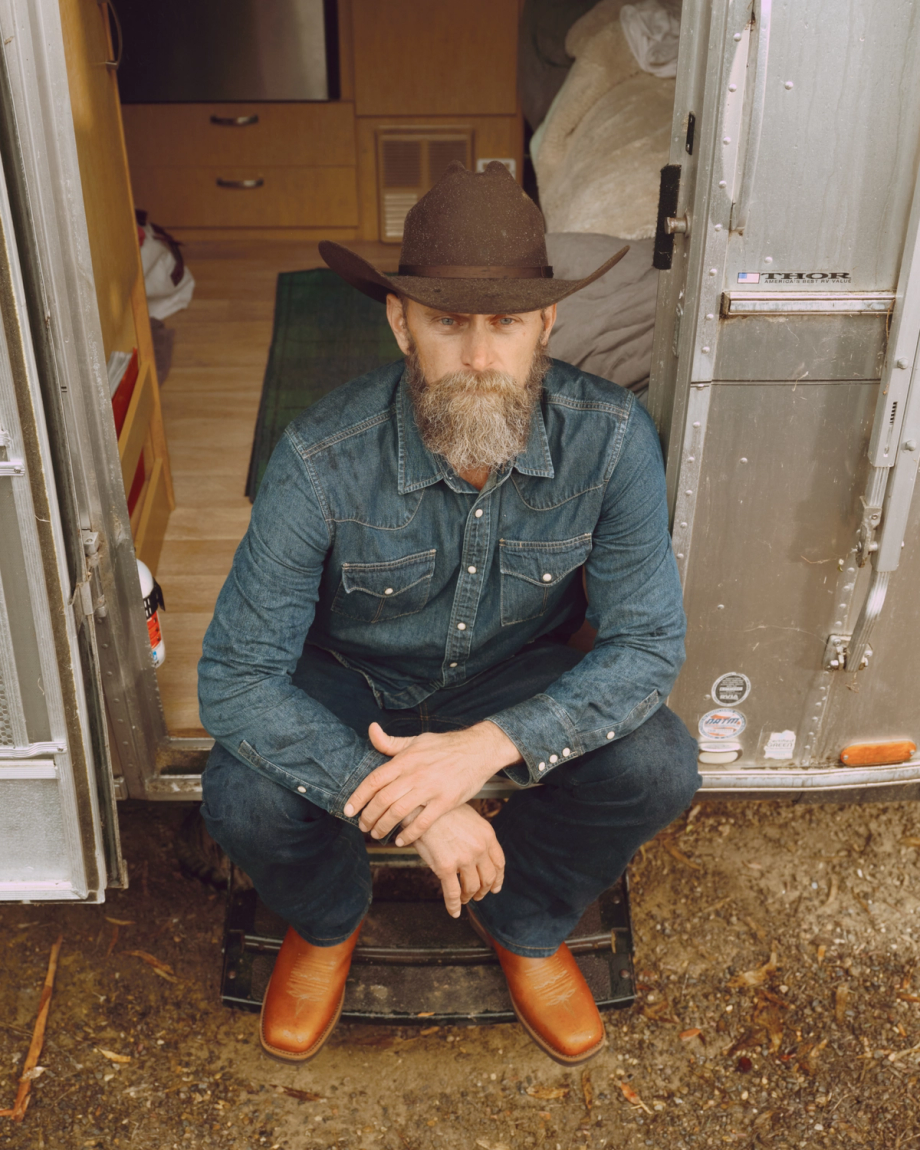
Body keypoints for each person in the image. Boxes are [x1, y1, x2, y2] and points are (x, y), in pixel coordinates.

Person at [198, 161, 699, 1067]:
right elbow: (236, 678)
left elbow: (647, 644)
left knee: (661, 762)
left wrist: (486, 746)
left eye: (506, 322)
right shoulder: (318, 456)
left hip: (514, 673)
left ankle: (527, 915)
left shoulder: (615, 439)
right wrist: (424, 811)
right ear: (401, 324)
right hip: (355, 682)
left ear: (547, 323)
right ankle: (327, 918)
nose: (478, 357)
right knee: (241, 791)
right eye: (447, 322)